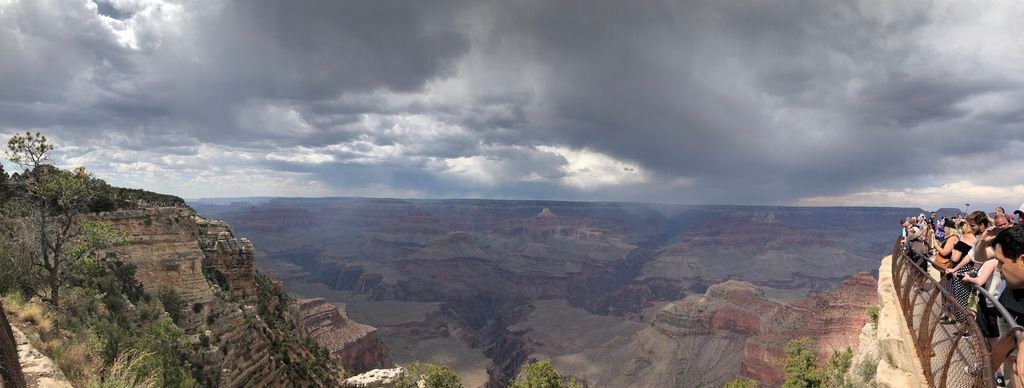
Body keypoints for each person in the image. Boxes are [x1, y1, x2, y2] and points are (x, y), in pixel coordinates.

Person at [945, 211, 990, 325]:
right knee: (972, 307)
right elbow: (970, 254)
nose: (970, 228)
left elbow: (981, 258)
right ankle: (968, 330)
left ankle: (969, 331)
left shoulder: (989, 239)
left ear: (982, 225)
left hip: (987, 280)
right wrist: (954, 269)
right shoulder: (978, 238)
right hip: (978, 276)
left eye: (973, 225)